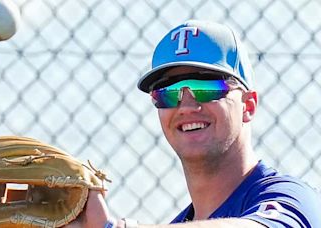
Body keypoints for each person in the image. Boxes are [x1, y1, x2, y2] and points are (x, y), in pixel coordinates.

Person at [65, 20, 321, 228]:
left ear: (248, 105)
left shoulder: (292, 199)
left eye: (206, 87)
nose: (187, 106)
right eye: (168, 92)